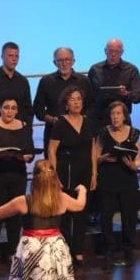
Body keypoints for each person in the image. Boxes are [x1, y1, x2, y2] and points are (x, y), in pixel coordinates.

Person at [46, 87, 98, 266]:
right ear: (66, 104)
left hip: (85, 169)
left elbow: (93, 149)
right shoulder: (60, 124)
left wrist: (94, 173)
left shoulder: (89, 122)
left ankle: (78, 249)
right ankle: (66, 249)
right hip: (66, 170)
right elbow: (52, 150)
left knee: (82, 211)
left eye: (79, 99)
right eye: (72, 99)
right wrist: (54, 175)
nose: (76, 102)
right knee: (67, 213)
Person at [0, 98, 33, 272]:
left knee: (15, 216)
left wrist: (26, 156)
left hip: (17, 174)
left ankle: (13, 253)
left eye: (13, 108)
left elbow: (30, 151)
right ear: (0, 109)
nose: (9, 111)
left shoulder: (24, 126)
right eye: (6, 107)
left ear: (17, 110)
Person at [93, 101, 140, 269]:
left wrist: (133, 165)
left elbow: (138, 158)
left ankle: (128, 249)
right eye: (112, 114)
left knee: (129, 216)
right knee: (106, 216)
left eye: (118, 113)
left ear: (125, 116)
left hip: (127, 178)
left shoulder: (133, 133)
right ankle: (109, 249)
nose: (115, 117)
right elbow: (95, 156)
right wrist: (103, 158)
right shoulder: (103, 133)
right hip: (108, 178)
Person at [34, 46, 94, 150]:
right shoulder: (46, 81)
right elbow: (38, 109)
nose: (64, 63)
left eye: (67, 60)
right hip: (53, 133)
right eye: (60, 60)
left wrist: (81, 119)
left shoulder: (84, 81)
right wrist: (52, 120)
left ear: (73, 61)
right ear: (54, 62)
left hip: (80, 133)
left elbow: (92, 105)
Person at [87, 38, 140, 122]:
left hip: (122, 120)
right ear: (105, 51)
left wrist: (126, 93)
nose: (113, 54)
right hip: (98, 119)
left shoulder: (131, 70)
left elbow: (138, 97)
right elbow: (88, 96)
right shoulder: (95, 69)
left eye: (117, 51)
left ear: (122, 52)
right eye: (110, 51)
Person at [0, 42, 33, 127]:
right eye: (10, 56)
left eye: (16, 56)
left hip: (19, 131)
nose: (14, 59)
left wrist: (27, 129)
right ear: (2, 57)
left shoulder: (23, 81)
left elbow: (28, 109)